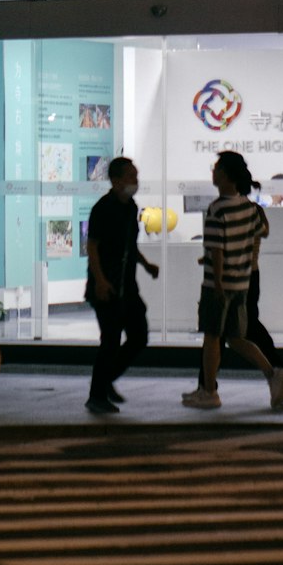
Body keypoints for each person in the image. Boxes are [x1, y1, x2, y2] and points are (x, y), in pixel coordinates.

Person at [182, 151, 283, 410]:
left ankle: (209, 392)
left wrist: (217, 281)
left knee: (212, 338)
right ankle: (274, 374)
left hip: (218, 285)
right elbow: (256, 235)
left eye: (217, 168)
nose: (213, 172)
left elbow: (218, 250)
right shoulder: (250, 208)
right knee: (237, 338)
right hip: (242, 284)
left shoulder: (217, 209)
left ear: (226, 175)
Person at [84, 156, 159, 415]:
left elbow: (130, 245)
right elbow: (92, 247)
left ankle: (106, 381)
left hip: (128, 286)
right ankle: (97, 394)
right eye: (130, 177)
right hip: (106, 286)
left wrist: (146, 264)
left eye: (136, 177)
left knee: (139, 335)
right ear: (115, 181)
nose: (135, 182)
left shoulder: (131, 208)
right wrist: (101, 281)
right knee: (111, 340)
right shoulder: (102, 208)